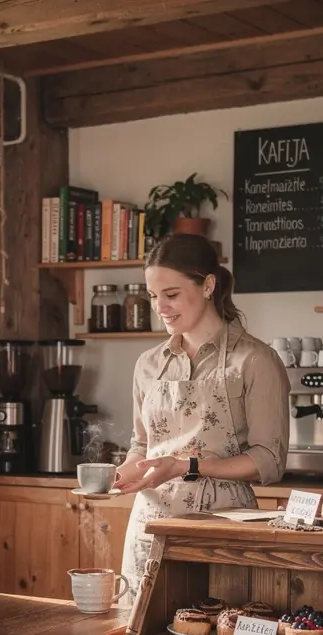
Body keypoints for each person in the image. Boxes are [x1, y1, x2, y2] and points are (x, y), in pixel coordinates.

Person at [115, 234, 289, 601]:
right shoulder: (148, 364)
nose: (160, 306)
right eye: (153, 296)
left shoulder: (255, 361)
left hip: (223, 526)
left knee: (213, 633)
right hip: (151, 524)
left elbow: (268, 461)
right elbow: (142, 444)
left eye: (172, 294)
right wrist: (127, 470)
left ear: (208, 285)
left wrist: (184, 466)